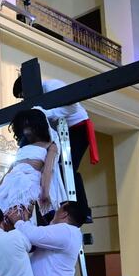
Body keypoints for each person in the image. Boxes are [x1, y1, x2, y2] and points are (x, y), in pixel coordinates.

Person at [0, 109, 67, 248]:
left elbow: (47, 171)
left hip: (27, 181)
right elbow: (10, 169)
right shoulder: (22, 149)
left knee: (19, 212)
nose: (26, 132)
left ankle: (26, 242)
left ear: (38, 126)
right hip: (11, 180)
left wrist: (45, 191)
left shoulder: (50, 145)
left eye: (29, 127)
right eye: (24, 128)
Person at [14, 77, 97, 222]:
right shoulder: (39, 98)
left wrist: (47, 113)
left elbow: (73, 107)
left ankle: (83, 210)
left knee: (69, 169)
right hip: (63, 130)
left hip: (77, 127)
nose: (24, 99)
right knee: (58, 169)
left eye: (22, 95)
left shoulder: (52, 86)